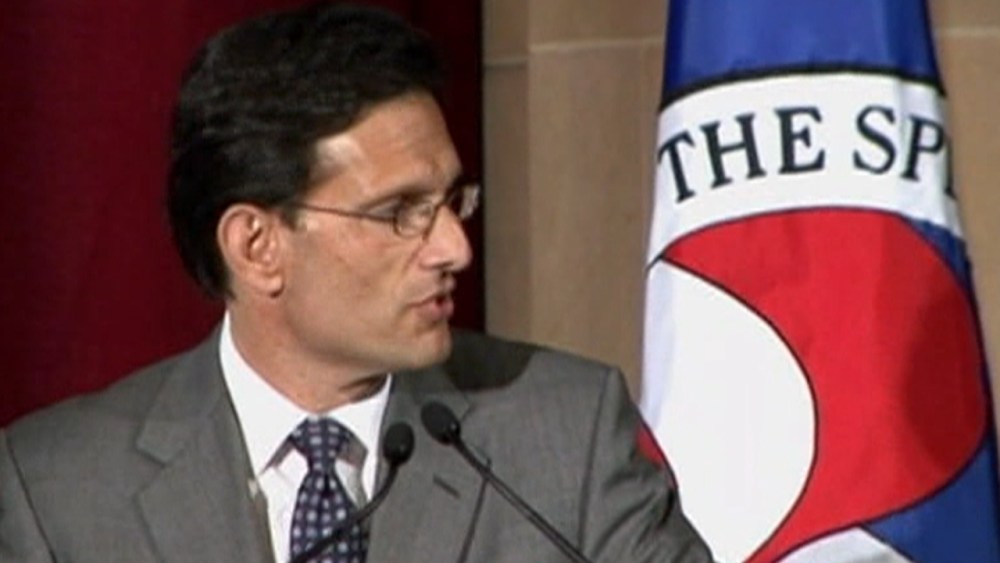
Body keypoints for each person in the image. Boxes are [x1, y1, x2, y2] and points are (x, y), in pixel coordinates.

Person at [0, 2, 712, 562]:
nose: (455, 248)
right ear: (257, 246)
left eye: (452, 201)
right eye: (400, 212)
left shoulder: (567, 435)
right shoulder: (55, 490)